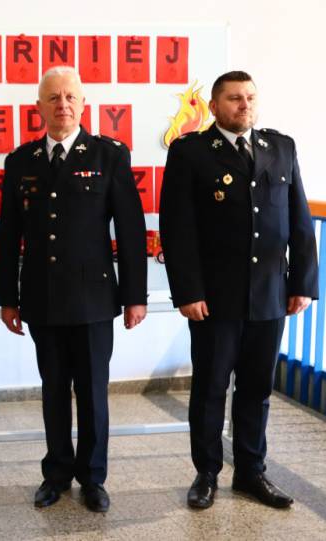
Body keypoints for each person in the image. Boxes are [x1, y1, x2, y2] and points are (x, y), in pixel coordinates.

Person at [159, 70, 318, 510]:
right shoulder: (190, 152)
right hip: (214, 298)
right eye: (234, 98)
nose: (244, 104)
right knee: (211, 388)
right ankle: (207, 473)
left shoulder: (281, 147)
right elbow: (177, 229)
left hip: (270, 294)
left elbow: (300, 220)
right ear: (214, 106)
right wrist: (188, 291)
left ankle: (251, 472)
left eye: (249, 97)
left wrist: (303, 283)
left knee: (256, 388)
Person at [0, 67, 147, 513]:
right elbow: (10, 236)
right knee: (54, 390)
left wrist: (135, 296)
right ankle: (57, 474)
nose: (62, 104)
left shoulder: (109, 155)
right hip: (41, 297)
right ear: (39, 107)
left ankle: (93, 478)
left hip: (94, 299)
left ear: (83, 105)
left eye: (70, 97)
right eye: (53, 98)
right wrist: (8, 299)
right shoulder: (21, 161)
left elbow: (131, 231)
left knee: (94, 392)